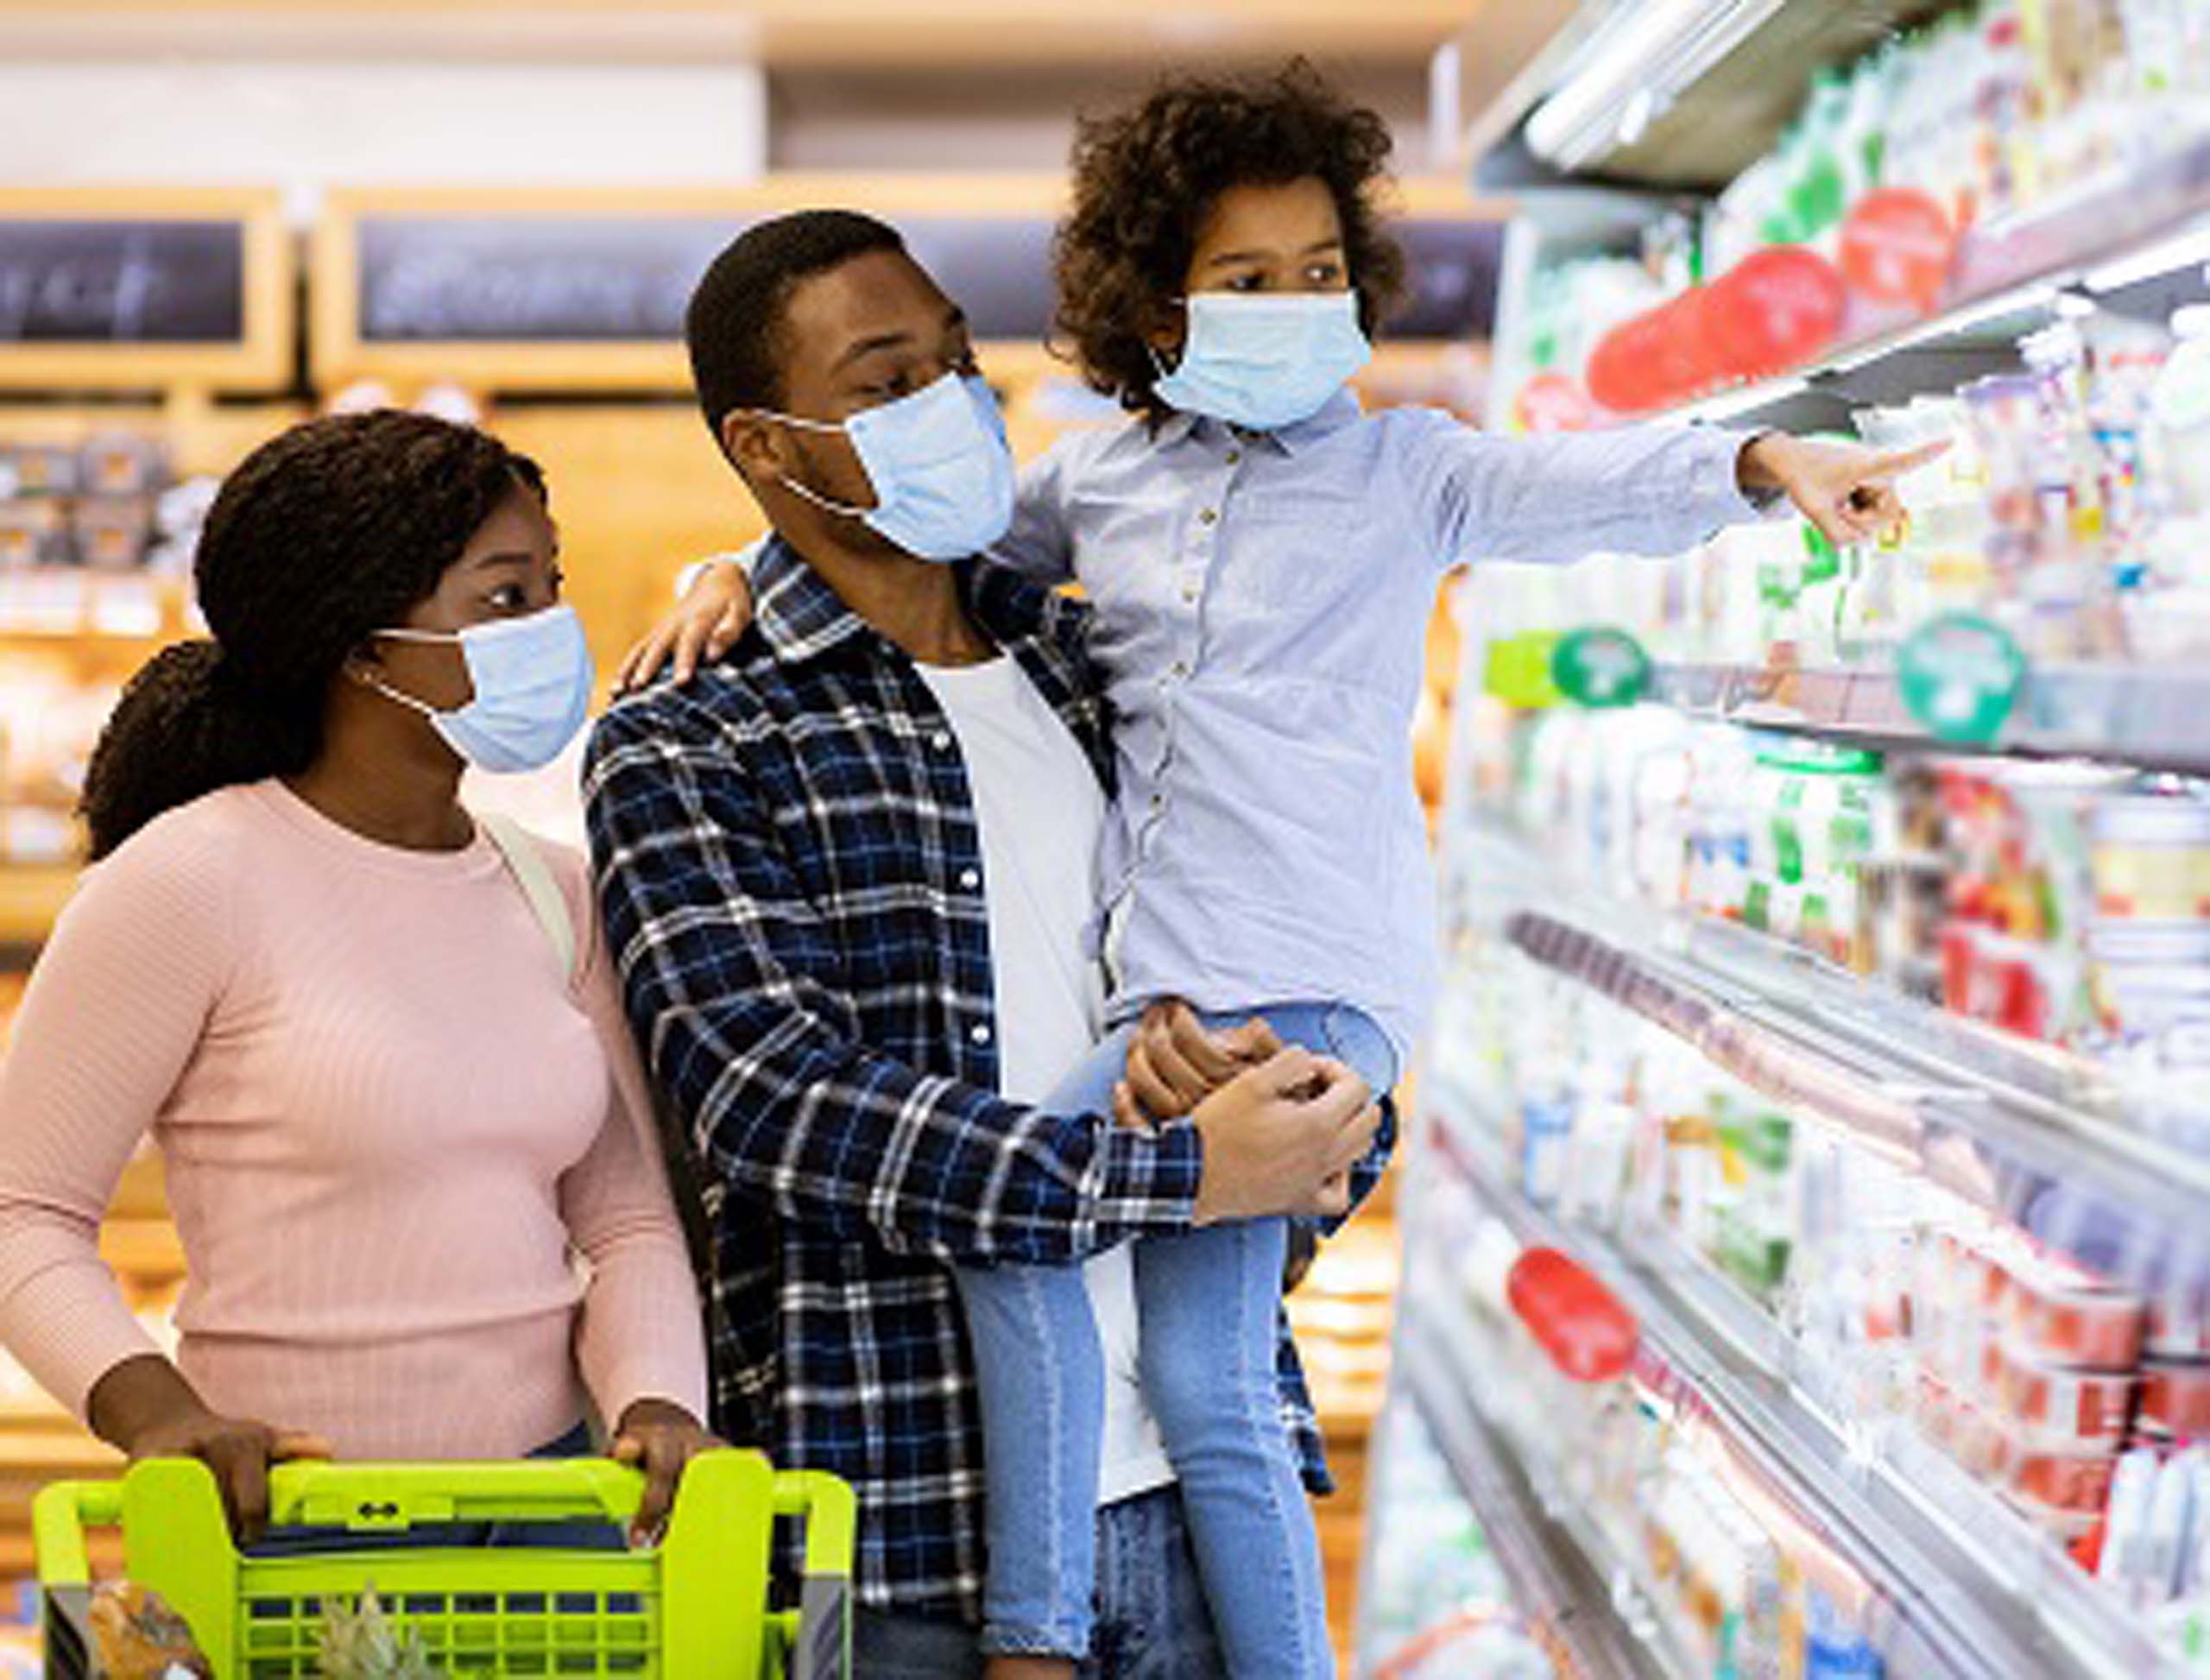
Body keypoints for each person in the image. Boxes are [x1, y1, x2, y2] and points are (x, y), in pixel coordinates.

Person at [622, 63, 1944, 1679]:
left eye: (1320, 275)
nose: (1292, 306)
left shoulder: (1389, 481)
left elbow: (1572, 481)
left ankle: (1133, 1640)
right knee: (1167, 1335)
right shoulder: (1069, 533)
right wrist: (719, 565)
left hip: (1315, 987)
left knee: (1211, 1377)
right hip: (982, 1372)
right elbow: (906, 556)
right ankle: (1041, 1628)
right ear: (1153, 310)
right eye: (1244, 280)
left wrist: (1762, 464)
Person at [586, 208, 1385, 1678]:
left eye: (956, 360)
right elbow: (776, 1103)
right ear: (765, 446)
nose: (951, 405)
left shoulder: (1091, 656)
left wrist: (1314, 1152)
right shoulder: (690, 734)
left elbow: (1278, 917)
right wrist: (1187, 1176)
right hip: (914, 1528)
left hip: (1203, 1490)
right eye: (885, 382)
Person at [0, 410, 713, 1551]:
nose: (551, 631)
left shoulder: (556, 889)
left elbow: (623, 1217)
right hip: (289, 1520)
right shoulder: (190, 878)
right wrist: (161, 1416)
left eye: (551, 588)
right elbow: (23, 1211)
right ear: (364, 646)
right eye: (504, 598)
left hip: (551, 1515)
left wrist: (659, 1405)